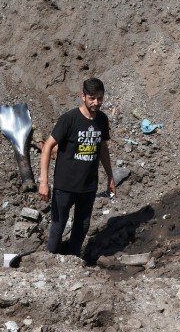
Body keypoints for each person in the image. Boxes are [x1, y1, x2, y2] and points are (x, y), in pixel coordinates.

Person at [38, 78, 116, 256]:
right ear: (83, 96)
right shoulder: (69, 119)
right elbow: (48, 146)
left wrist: (110, 176)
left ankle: (73, 261)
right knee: (58, 226)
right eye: (92, 98)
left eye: (100, 98)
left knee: (82, 226)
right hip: (65, 185)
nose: (96, 102)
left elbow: (103, 148)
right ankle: (51, 260)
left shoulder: (102, 120)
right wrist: (44, 181)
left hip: (88, 186)